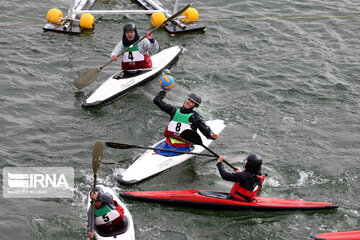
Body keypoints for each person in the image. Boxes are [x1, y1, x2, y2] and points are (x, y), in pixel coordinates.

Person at [153, 90, 221, 154]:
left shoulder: (195, 117)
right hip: (168, 142)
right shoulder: (173, 110)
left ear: (195, 105)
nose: (189, 102)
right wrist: (164, 91)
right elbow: (156, 101)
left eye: (192, 102)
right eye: (188, 99)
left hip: (184, 146)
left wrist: (211, 135)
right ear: (186, 99)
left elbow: (205, 129)